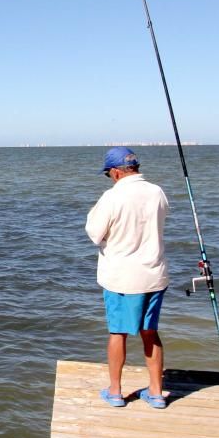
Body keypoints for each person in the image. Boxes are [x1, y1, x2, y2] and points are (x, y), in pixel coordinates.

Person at [86, 146, 170, 409]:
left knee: (117, 332)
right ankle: (156, 393)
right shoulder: (157, 192)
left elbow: (94, 234)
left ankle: (115, 392)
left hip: (121, 278)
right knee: (150, 333)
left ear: (115, 172)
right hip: (154, 275)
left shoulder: (112, 197)